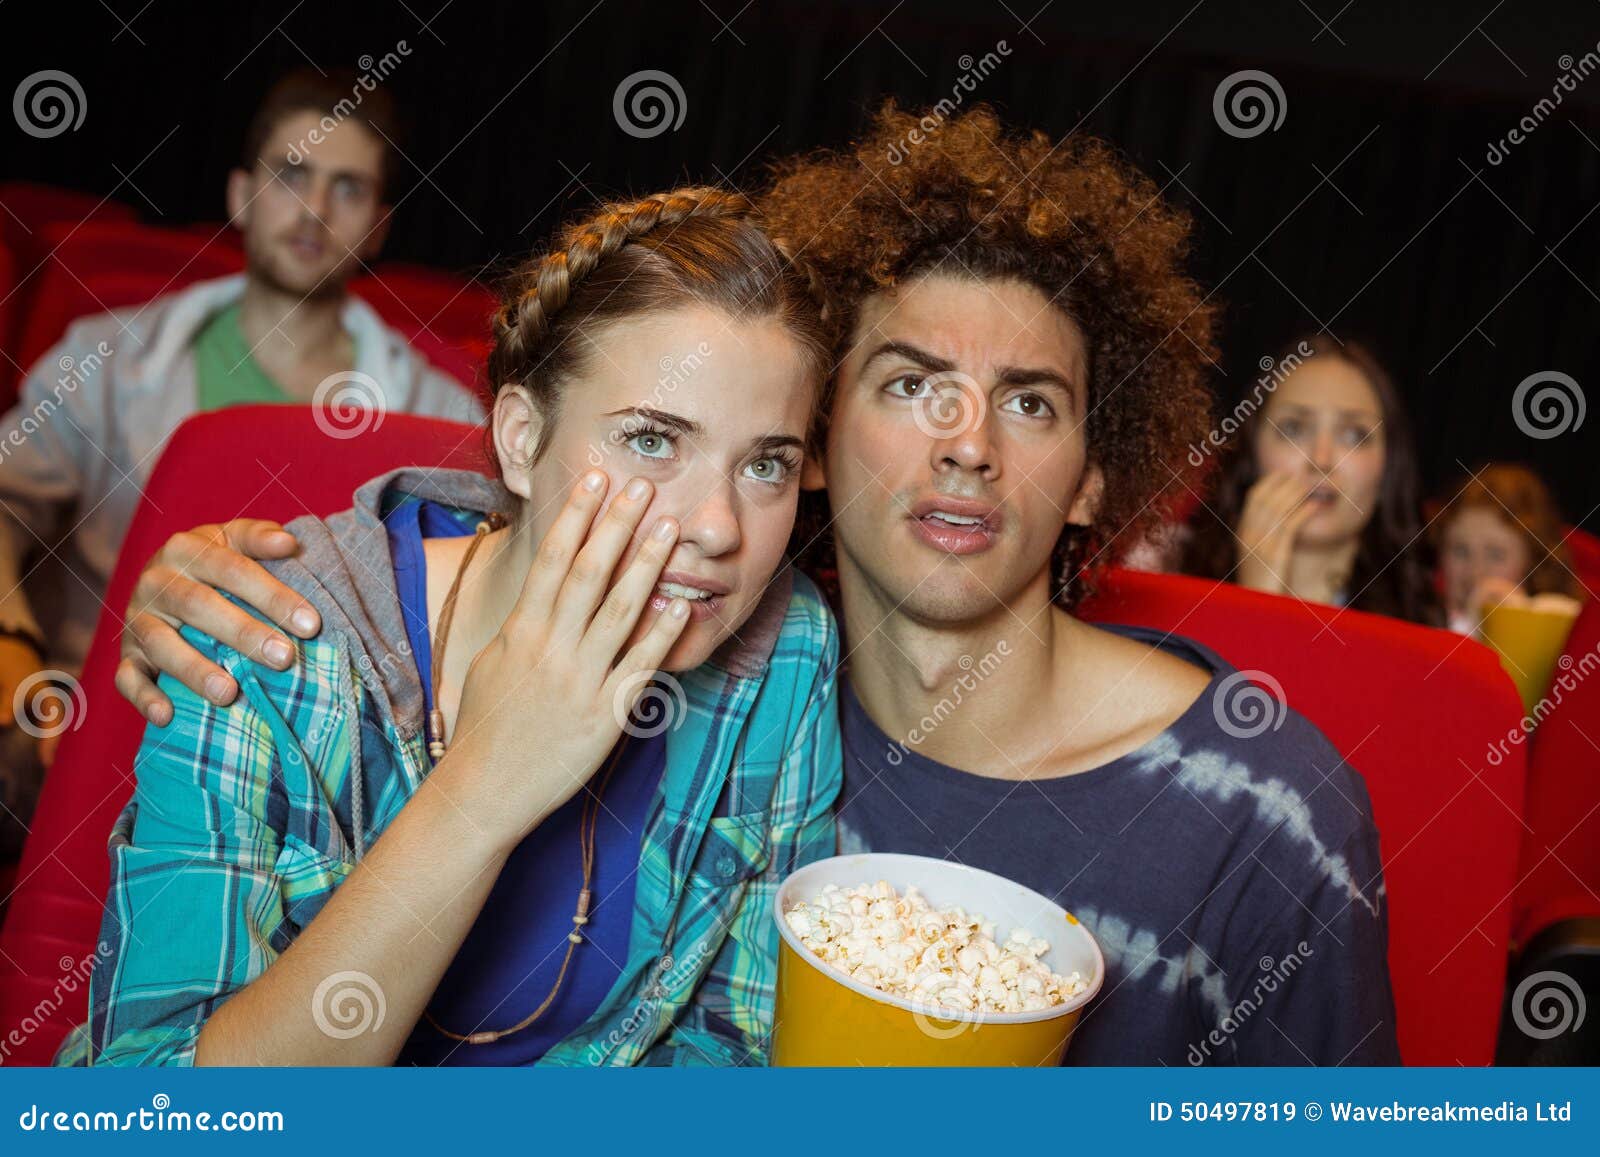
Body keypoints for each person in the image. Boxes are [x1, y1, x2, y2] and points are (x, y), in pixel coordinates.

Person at [112, 104, 1401, 1065]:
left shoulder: (1267, 806)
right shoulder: (764, 662)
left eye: (1029, 400)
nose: (967, 440)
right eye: (908, 384)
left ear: (1092, 475)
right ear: (835, 447)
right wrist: (276, 588)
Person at [53, 186, 840, 1066]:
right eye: (652, 440)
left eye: (767, 462)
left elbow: (733, 1040)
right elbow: (152, 1110)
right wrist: (483, 789)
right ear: (518, 439)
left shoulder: (782, 649)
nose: (720, 527)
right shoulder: (264, 638)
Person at [0, 70, 481, 856]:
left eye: (348, 188)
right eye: (292, 175)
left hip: (326, 778)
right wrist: (10, 650)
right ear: (239, 194)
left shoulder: (439, 418)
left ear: (379, 228)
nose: (315, 210)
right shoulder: (112, 356)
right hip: (82, 720)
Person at [1180, 335, 1442, 626]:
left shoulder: (1425, 635)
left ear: (1388, 469)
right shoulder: (1180, 608)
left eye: (1354, 435)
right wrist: (1257, 600)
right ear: (1252, 456)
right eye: (1294, 428)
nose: (1321, 459)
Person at [1431, 463, 1587, 635]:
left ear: (1533, 560)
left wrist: (1512, 620)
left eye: (1495, 555)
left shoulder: (1560, 620)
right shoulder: (1422, 616)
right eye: (1460, 550)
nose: (1475, 571)